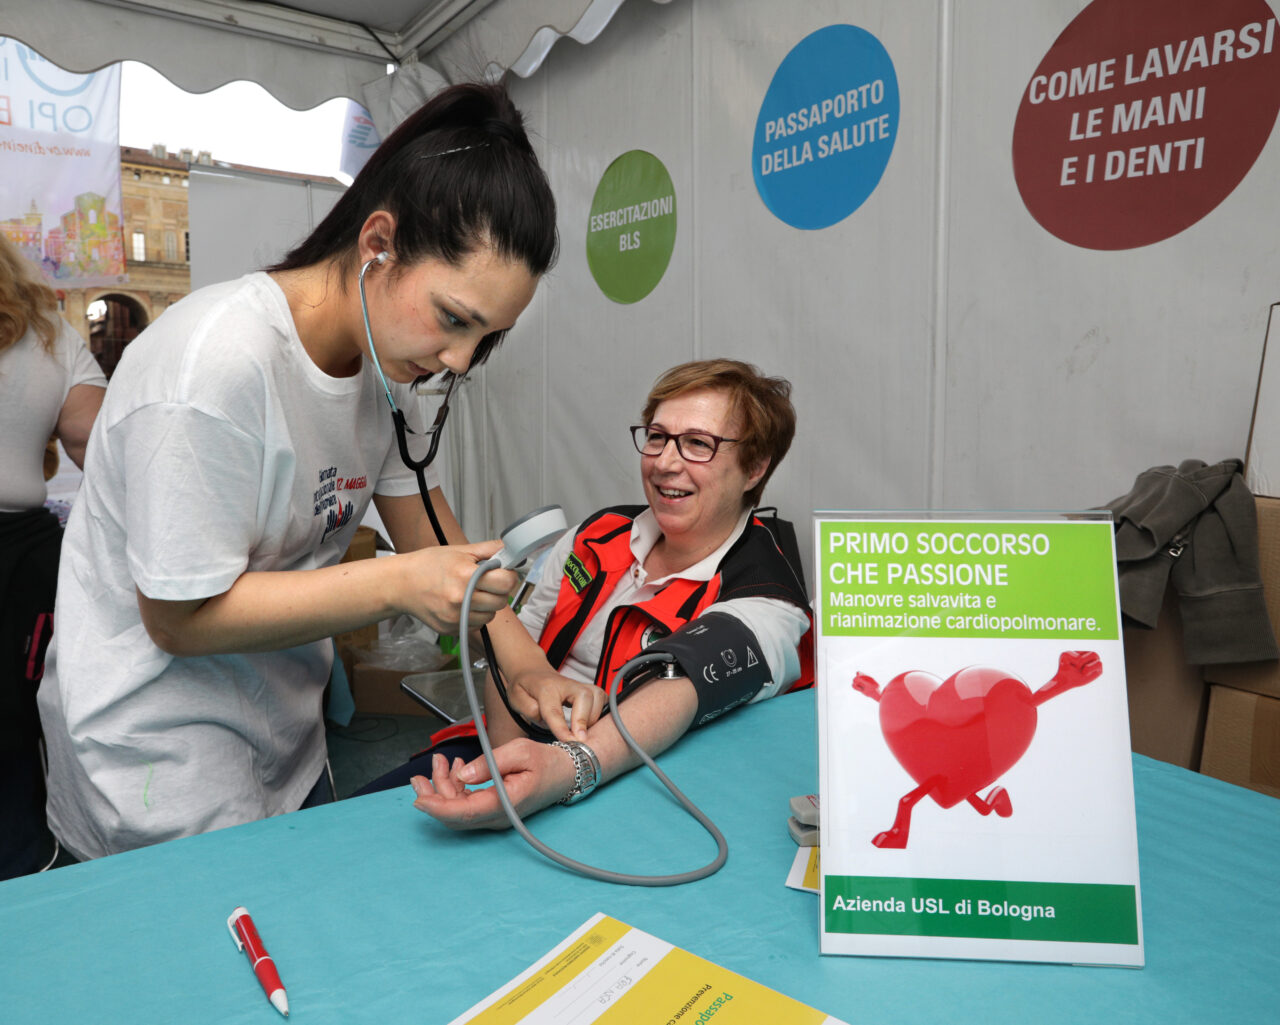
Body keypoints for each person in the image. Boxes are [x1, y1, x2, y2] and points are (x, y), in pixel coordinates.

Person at [37, 81, 580, 862]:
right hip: (155, 772)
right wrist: (398, 582)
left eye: (486, 337)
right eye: (455, 319)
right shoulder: (215, 365)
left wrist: (526, 672)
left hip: (286, 749)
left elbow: (440, 540)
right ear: (378, 245)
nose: (458, 361)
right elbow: (177, 617)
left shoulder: (388, 368)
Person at [379, 359, 813, 829]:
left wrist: (566, 768)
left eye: (697, 444)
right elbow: (515, 644)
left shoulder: (768, 594)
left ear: (755, 468)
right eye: (657, 436)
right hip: (513, 745)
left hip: (641, 783)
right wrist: (504, 767)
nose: (665, 462)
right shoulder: (596, 535)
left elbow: (685, 681)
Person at [0, 234, 106, 878]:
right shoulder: (47, 332)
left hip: (23, 556)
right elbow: (99, 445)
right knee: (20, 725)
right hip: (22, 559)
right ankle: (22, 866)